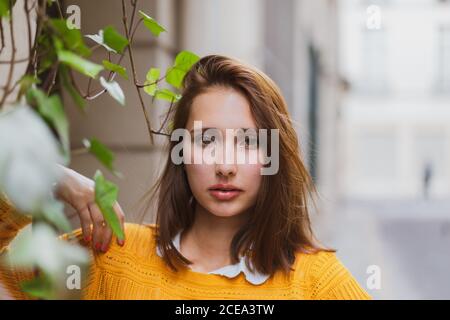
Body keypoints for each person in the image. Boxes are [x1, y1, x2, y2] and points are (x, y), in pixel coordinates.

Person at [0, 55, 371, 300]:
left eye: (248, 143)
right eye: (206, 140)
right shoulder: (110, 258)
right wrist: (48, 177)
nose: (225, 165)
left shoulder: (316, 283)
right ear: (181, 152)